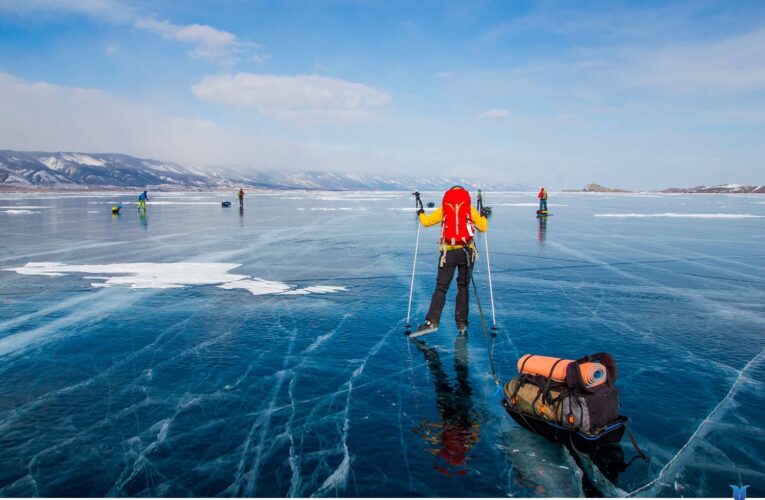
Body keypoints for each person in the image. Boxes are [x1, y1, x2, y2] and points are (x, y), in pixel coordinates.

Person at [415, 186, 488, 334]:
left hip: (448, 253)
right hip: (467, 252)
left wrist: (421, 214)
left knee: (441, 288)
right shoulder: (469, 209)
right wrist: (484, 216)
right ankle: (462, 323)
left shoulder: (444, 209)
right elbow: (483, 227)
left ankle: (432, 322)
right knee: (463, 287)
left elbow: (427, 222)